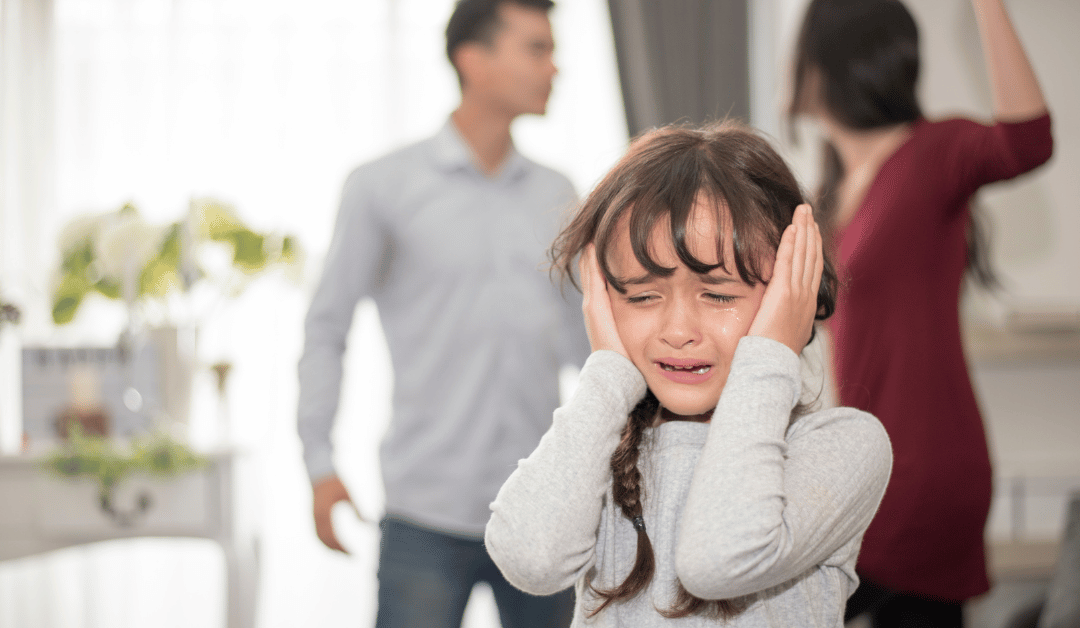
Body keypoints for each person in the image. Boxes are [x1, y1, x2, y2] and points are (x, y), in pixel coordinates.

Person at [484, 122, 893, 626]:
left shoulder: (841, 446)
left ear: (794, 296)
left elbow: (719, 559)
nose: (678, 330)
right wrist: (609, 374)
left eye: (719, 295)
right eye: (641, 295)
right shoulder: (597, 449)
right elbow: (530, 559)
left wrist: (769, 353)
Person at [296, 1, 586, 626]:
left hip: (540, 511)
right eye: (536, 48)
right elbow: (327, 328)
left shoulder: (559, 194)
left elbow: (586, 344)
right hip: (425, 514)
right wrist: (319, 463)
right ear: (471, 59)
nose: (554, 67)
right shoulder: (383, 186)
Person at [787, 0, 1053, 625]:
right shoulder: (832, 188)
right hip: (867, 471)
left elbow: (1028, 140)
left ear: (828, 65)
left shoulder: (931, 155)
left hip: (921, 473)